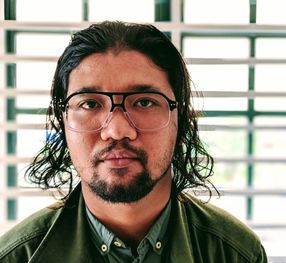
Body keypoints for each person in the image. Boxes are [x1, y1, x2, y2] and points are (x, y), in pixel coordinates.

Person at [0, 21, 268, 263]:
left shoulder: (236, 253)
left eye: (144, 102)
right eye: (90, 103)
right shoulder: (16, 256)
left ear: (180, 118)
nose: (116, 130)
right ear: (63, 121)